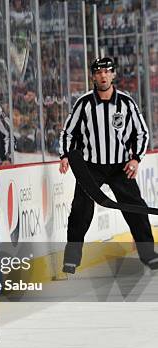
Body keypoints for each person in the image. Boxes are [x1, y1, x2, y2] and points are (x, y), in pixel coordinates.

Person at [59, 57, 158, 273]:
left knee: (137, 210)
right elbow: (68, 132)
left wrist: (136, 158)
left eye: (107, 71)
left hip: (120, 167)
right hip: (90, 167)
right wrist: (65, 155)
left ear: (113, 74)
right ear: (93, 76)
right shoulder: (83, 103)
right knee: (80, 212)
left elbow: (141, 133)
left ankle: (149, 255)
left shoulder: (126, 103)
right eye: (98, 72)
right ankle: (71, 259)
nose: (103, 75)